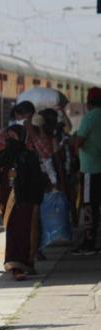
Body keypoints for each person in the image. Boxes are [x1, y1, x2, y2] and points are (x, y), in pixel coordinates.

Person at [0, 125, 44, 280]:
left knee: (28, 231)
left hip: (28, 200)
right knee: (12, 232)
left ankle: (26, 263)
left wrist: (38, 200)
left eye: (14, 137)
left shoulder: (30, 156)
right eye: (8, 137)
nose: (10, 141)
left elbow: (37, 180)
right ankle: (15, 266)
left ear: (22, 138)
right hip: (8, 202)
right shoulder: (3, 156)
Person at [73, 87, 101, 255]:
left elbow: (79, 141)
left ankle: (89, 242)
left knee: (89, 206)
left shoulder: (90, 117)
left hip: (90, 169)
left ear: (88, 102)